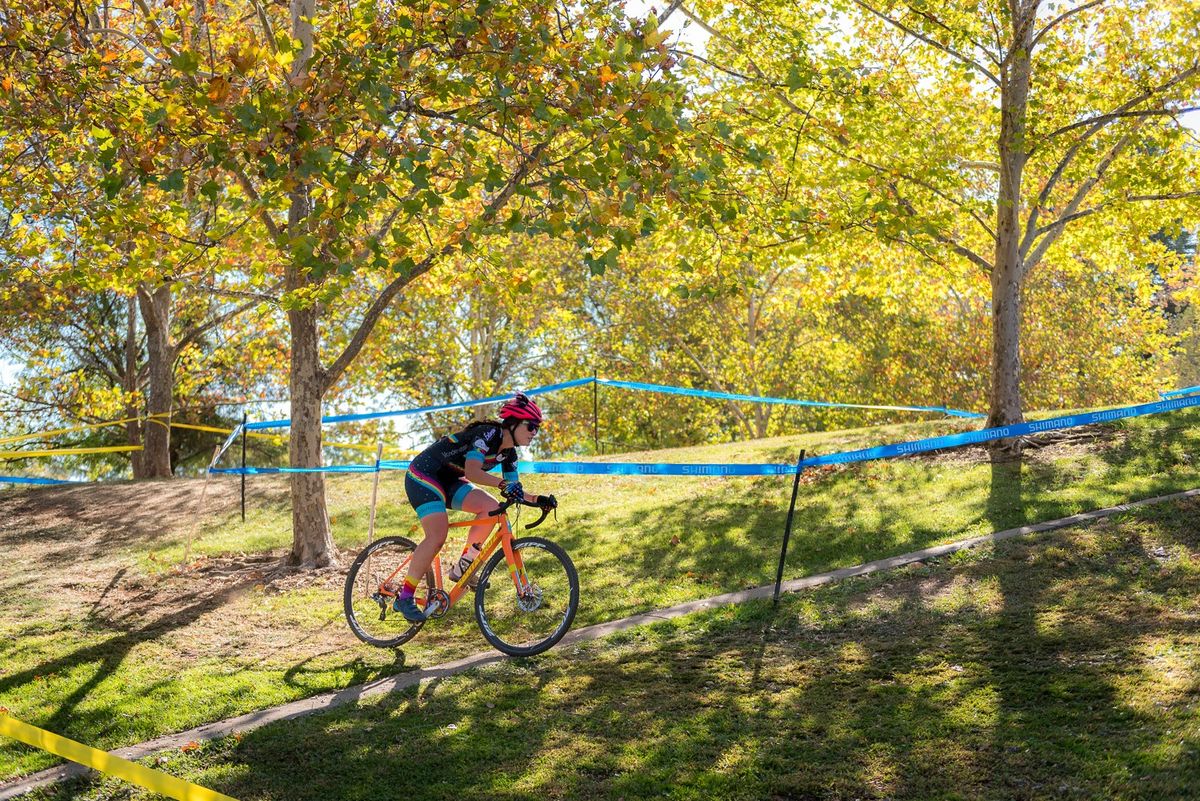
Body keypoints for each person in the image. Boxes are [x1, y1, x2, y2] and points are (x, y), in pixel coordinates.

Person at [395, 391, 557, 622]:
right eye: (531, 426)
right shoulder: (488, 434)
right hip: (424, 475)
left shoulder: (509, 454)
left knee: (491, 509)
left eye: (537, 429)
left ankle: (463, 566)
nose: (534, 433)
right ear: (513, 423)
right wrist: (503, 484)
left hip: (449, 481)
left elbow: (514, 489)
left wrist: (538, 500)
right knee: (437, 535)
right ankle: (405, 596)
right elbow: (473, 472)